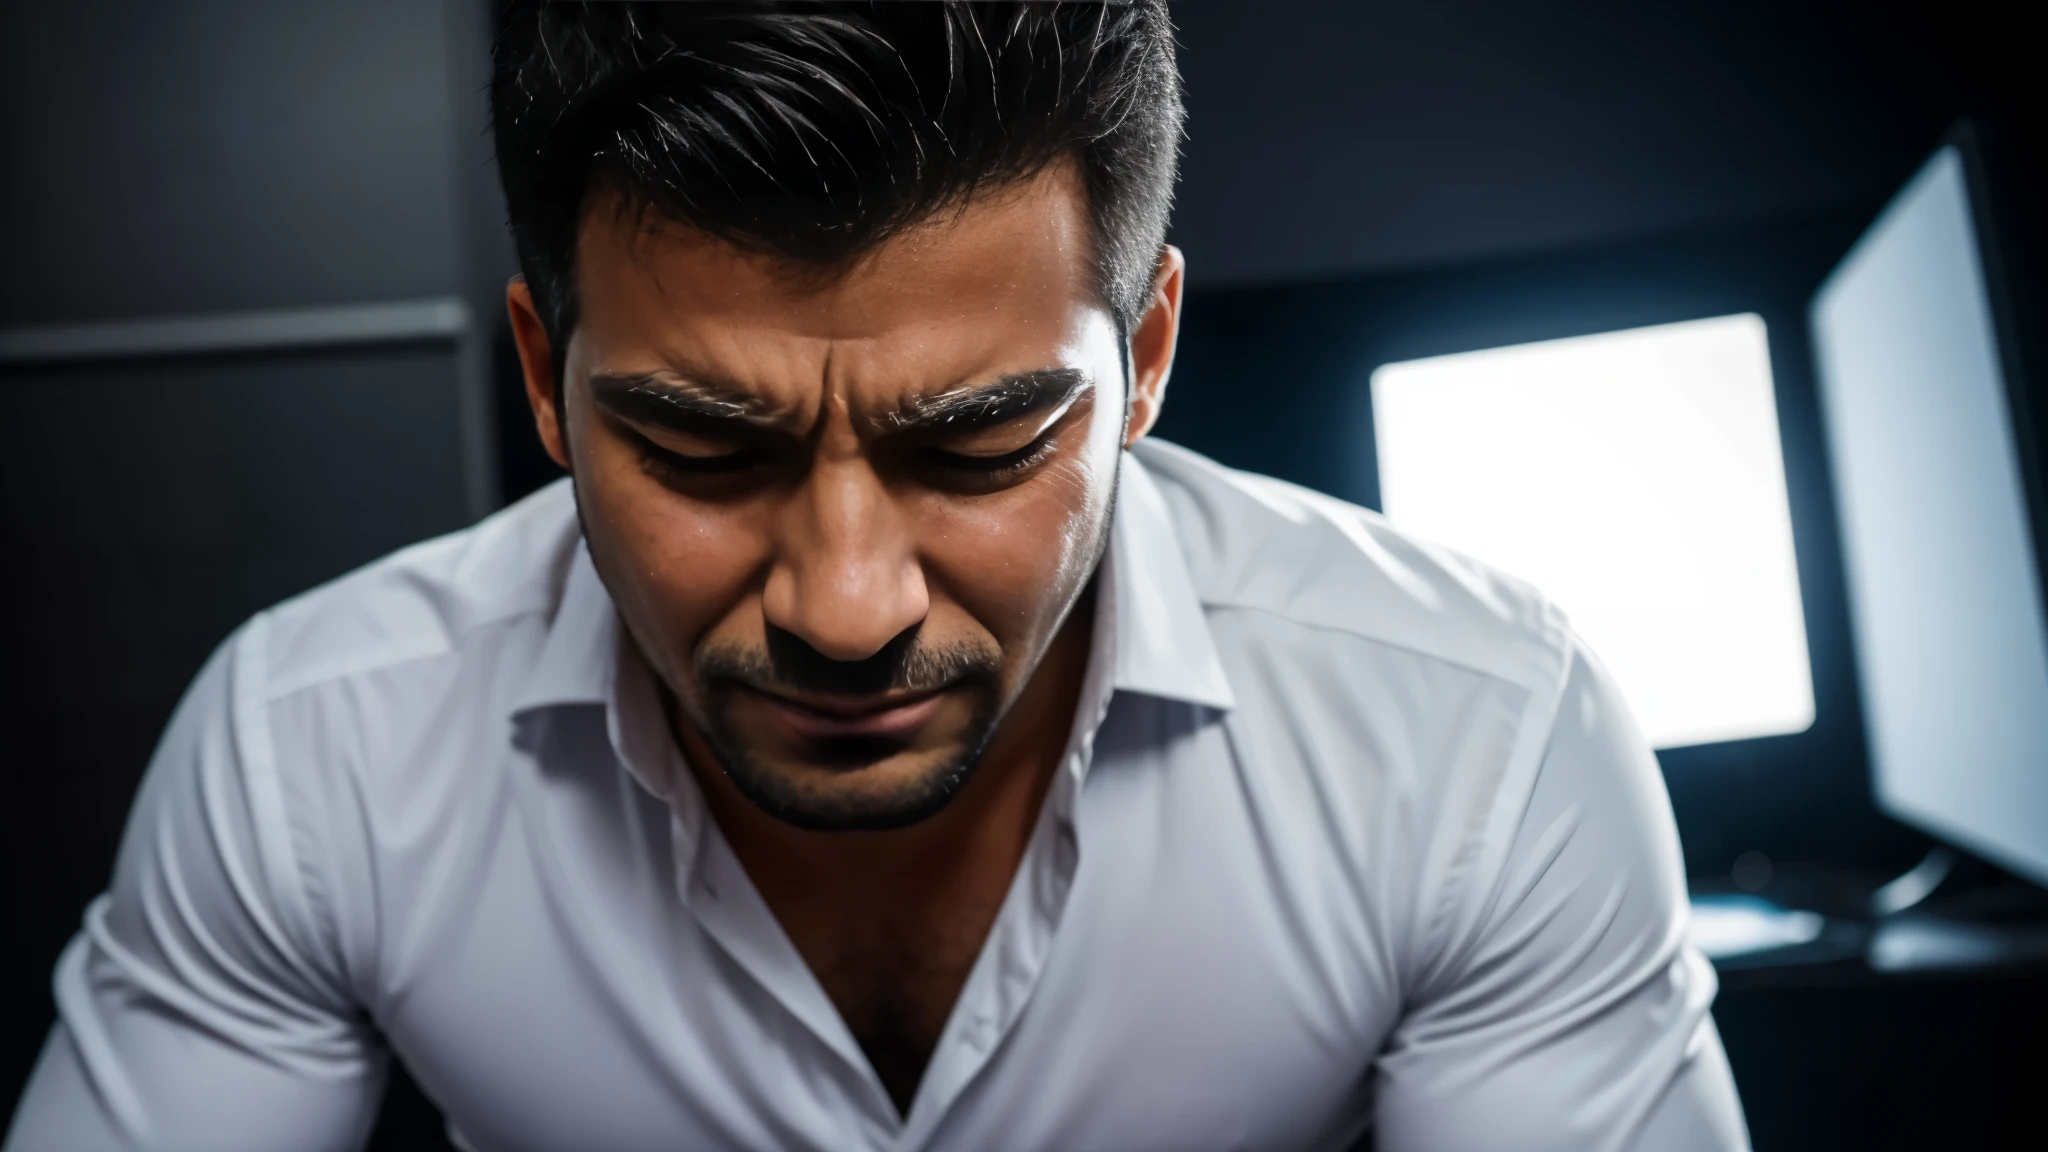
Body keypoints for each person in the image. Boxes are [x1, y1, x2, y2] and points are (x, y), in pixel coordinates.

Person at [7, 3, 1749, 1149]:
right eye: (702, 448)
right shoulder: (309, 759)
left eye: (982, 443)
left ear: (1145, 356)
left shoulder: (1480, 742)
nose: (848, 609)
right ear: (542, 377)